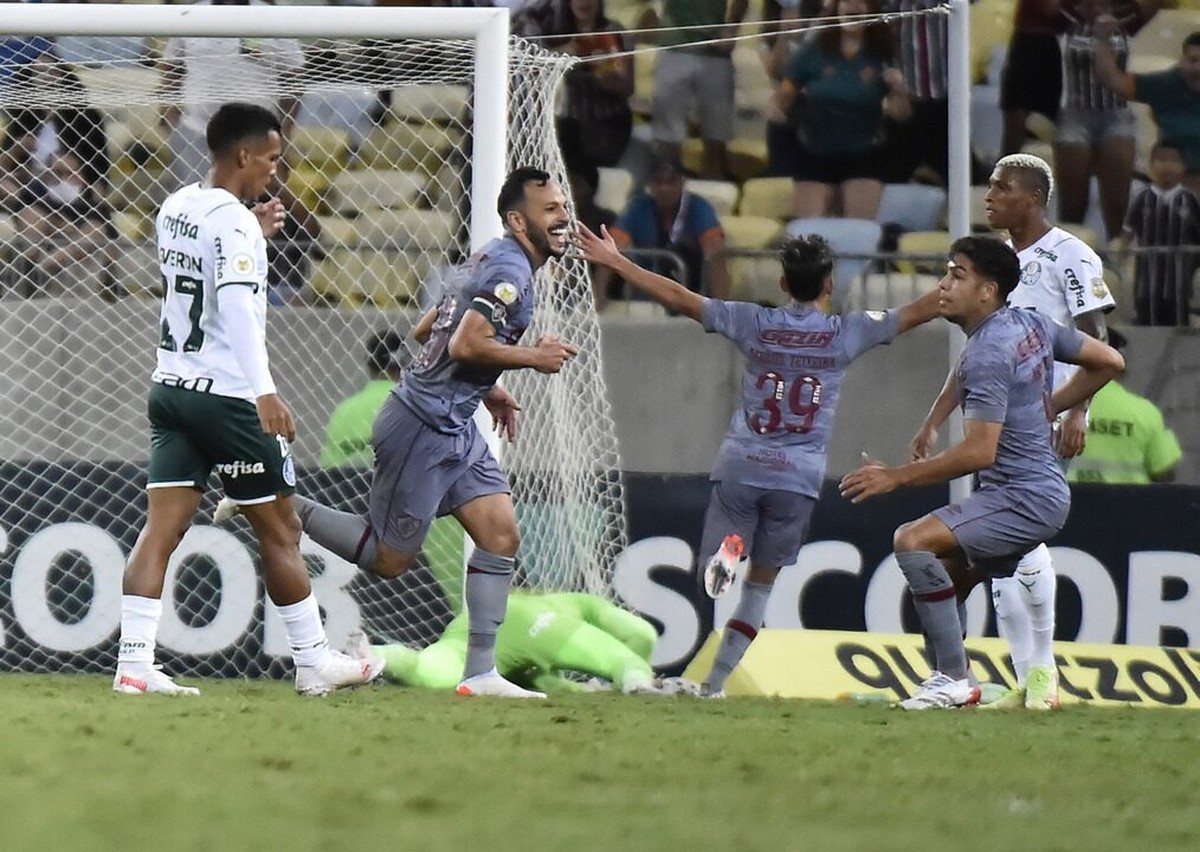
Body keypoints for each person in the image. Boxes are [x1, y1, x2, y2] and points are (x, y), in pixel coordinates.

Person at [220, 167, 578, 699]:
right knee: (390, 559)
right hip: (422, 425)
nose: (563, 218)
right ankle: (277, 507)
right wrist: (531, 357)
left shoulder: (488, 258)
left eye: (562, 207)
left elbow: (426, 329)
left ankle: (480, 674)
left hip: (454, 421)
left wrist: (486, 385)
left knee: (500, 533)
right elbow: (461, 345)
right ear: (517, 219)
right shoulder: (511, 274)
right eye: (550, 210)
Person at [573, 223, 942, 698]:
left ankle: (729, 549)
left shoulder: (754, 323)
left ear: (783, 284)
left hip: (744, 463)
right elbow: (918, 310)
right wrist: (964, 280)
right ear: (829, 284)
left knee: (722, 553)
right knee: (760, 589)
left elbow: (684, 299)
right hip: (799, 478)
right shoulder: (847, 334)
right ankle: (717, 685)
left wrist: (620, 263)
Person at [114, 102, 384, 697]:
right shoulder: (232, 223)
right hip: (228, 398)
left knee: (162, 528)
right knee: (281, 530)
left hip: (171, 388)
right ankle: (314, 663)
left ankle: (133, 666)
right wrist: (265, 391)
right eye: (271, 158)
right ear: (242, 155)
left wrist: (252, 236)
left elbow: (196, 275)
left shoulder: (176, 205)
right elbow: (234, 307)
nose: (274, 171)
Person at [841, 236, 1125, 710]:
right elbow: (1109, 361)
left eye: (957, 274)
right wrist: (1047, 408)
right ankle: (953, 684)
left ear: (987, 290)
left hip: (1022, 497)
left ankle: (953, 679)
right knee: (945, 579)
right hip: (1037, 492)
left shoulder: (989, 351)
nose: (944, 285)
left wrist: (896, 477)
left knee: (911, 541)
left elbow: (978, 452)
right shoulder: (1029, 324)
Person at [911, 153, 1115, 709]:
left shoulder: (1070, 256)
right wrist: (935, 417)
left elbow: (1100, 338)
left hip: (1043, 421)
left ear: (1032, 197)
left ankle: (1041, 671)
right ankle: (1028, 680)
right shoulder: (995, 263)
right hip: (1001, 417)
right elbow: (981, 350)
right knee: (996, 549)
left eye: (1002, 187)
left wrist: (1077, 411)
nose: (990, 195)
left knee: (1019, 541)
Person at [768, 0, 911, 219]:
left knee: (859, 230)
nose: (853, 6)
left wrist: (899, 90)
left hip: (862, 157)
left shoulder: (883, 54)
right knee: (807, 235)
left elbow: (901, 115)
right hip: (814, 155)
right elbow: (784, 95)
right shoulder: (814, 51)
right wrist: (777, 108)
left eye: (861, 3)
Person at [372, 592, 661, 694]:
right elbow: (642, 634)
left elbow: (549, 683)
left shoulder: (556, 601)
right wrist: (628, 676)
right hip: (536, 624)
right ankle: (637, 687)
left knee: (425, 669)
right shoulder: (584, 606)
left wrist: (583, 689)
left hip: (472, 622)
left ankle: (370, 656)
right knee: (621, 661)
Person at [157, 0, 305, 191]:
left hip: (257, 136)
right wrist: (170, 113)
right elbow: (171, 66)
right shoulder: (190, 15)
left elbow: (294, 76)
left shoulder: (272, 18)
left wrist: (284, 132)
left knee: (256, 202)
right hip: (198, 133)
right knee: (196, 199)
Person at [1052, 0, 1151, 240]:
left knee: (1117, 205)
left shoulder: (1128, 24)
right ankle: (1069, 254)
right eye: (1091, 4)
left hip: (1116, 114)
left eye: (1104, 4)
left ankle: (1116, 256)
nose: (1097, 9)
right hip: (1075, 113)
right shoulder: (1065, 21)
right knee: (1072, 205)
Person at [597, 156, 731, 309]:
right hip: (648, 292)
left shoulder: (700, 208)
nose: (664, 188)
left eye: (671, 182)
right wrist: (597, 300)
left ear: (682, 183)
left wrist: (722, 308)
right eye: (658, 182)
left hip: (692, 290)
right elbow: (611, 249)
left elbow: (716, 256)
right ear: (650, 184)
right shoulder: (638, 207)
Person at [642, 0, 751, 180]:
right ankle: (667, 185)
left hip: (715, 48)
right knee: (668, 137)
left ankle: (712, 187)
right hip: (674, 45)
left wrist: (732, 28)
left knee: (716, 133)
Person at [1093, 22, 1200, 193]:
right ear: (1182, 61)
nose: (1198, 68)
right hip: (1173, 181)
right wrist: (1103, 39)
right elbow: (1112, 80)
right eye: (1193, 60)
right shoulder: (1166, 84)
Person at [1068, 327, 1182, 483]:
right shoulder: (1144, 412)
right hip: (1131, 505)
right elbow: (1165, 473)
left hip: (1067, 502)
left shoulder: (1059, 405)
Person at [543, 0, 635, 172]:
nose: (584, 2)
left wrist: (600, 70)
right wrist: (563, 55)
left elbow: (628, 87)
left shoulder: (615, 31)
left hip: (607, 122)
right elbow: (537, 67)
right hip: (568, 121)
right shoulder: (556, 32)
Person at [1119, 139, 1200, 325]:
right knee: (1148, 314)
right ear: (1151, 164)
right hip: (1148, 273)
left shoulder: (1189, 199)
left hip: (1179, 273)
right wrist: (1121, 249)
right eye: (1162, 159)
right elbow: (1128, 231)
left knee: (1177, 317)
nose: (1167, 166)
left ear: (1183, 166)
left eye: (1174, 160)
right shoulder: (1142, 197)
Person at [319, 330, 408, 469]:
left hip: (345, 489)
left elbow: (327, 469)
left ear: (369, 364)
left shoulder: (343, 411)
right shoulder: (414, 408)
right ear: (405, 365)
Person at [1000, 0, 1065, 156]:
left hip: (1049, 45)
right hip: (1027, 44)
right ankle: (1006, 169)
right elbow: (1050, 7)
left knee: (1051, 122)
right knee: (1015, 120)